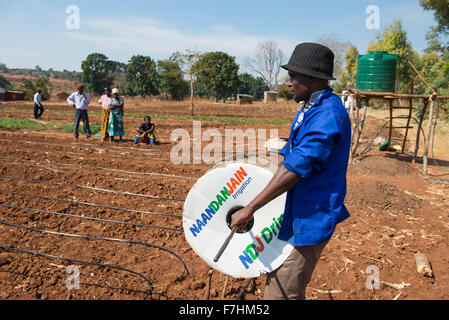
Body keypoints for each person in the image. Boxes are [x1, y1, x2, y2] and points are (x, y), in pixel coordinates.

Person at [230, 43, 352, 300]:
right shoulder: (312, 107)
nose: (289, 81)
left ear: (314, 78)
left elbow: (298, 167)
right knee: (278, 282)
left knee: (282, 293)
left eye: (294, 75)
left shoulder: (327, 114)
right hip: (295, 213)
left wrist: (250, 207)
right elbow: (295, 154)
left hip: (309, 217)